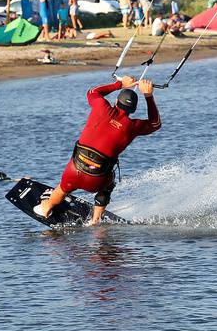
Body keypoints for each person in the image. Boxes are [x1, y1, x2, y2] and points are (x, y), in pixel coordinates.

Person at [34, 76, 162, 226]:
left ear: (116, 102)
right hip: (97, 181)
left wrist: (119, 84)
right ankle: (95, 221)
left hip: (73, 173)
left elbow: (92, 92)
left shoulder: (102, 107)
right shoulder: (133, 126)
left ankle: (47, 207)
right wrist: (148, 95)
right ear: (133, 110)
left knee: (62, 189)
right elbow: (155, 123)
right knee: (109, 184)